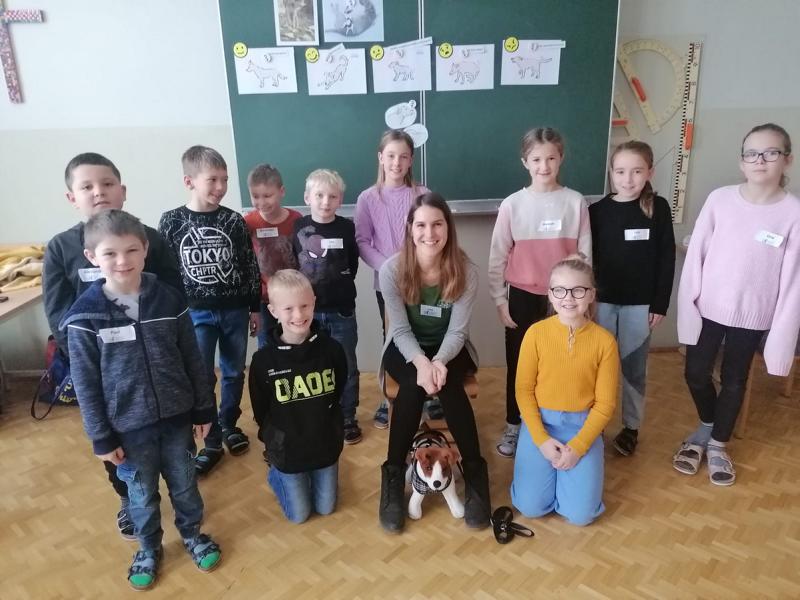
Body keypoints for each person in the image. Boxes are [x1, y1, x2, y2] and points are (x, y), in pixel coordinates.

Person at [61, 209, 221, 590]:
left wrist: (204, 409)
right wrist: (101, 437)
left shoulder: (169, 301)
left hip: (178, 420)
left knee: (185, 484)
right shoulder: (85, 317)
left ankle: (192, 534)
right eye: (110, 253)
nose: (123, 261)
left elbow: (193, 358)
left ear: (145, 249)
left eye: (131, 250)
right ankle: (149, 548)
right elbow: (86, 384)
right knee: (141, 494)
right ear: (92, 257)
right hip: (128, 430)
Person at [43, 152, 182, 541]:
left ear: (122, 190)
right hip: (105, 372)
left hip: (158, 362)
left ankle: (179, 491)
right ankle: (129, 498)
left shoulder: (150, 239)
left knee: (169, 435)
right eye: (86, 186)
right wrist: (86, 361)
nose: (98, 192)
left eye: (106, 184)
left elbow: (175, 293)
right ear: (72, 197)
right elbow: (58, 314)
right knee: (116, 442)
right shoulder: (61, 248)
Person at [675, 123, 800, 486]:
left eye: (770, 153)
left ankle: (717, 443)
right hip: (709, 308)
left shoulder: (793, 212)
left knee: (734, 380)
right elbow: (696, 254)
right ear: (742, 162)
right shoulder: (720, 199)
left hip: (754, 315)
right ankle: (708, 424)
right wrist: (689, 303)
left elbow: (793, 279)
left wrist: (781, 331)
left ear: (787, 160)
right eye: (752, 153)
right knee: (695, 373)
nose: (760, 160)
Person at [378, 192, 490, 533]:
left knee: (450, 385)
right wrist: (422, 365)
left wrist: (438, 361)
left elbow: (458, 331)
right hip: (405, 347)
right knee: (412, 387)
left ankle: (475, 473)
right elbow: (399, 329)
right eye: (421, 225)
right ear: (410, 229)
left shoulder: (466, 270)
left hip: (450, 348)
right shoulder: (392, 269)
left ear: (448, 228)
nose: (430, 233)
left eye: (437, 224)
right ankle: (393, 475)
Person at [488, 127, 592, 458]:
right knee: (520, 364)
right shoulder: (513, 205)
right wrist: (500, 300)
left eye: (550, 158)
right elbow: (497, 256)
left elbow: (586, 255)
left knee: (561, 363)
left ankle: (554, 424)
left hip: (565, 299)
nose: (543, 166)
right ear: (525, 162)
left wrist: (583, 298)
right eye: (536, 159)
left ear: (561, 158)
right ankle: (514, 424)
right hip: (522, 295)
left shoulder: (575, 202)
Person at [158, 145, 261, 475]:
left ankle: (229, 424)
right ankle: (212, 439)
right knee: (201, 376)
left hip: (234, 311)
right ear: (189, 181)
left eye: (225, 180)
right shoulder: (171, 221)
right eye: (212, 179)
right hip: (195, 314)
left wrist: (255, 308)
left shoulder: (233, 220)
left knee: (234, 372)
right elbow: (166, 273)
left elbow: (249, 265)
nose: (220, 187)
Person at [511, 256, 619, 526]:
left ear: (591, 294)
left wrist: (579, 447)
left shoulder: (605, 342)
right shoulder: (535, 334)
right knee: (530, 507)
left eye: (578, 290)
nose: (568, 298)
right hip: (540, 425)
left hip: (581, 427)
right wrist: (541, 441)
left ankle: (569, 482)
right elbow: (523, 390)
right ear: (550, 294)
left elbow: (605, 404)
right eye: (560, 290)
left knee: (581, 515)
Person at [590, 141, 676, 456]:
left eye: (637, 171)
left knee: (633, 367)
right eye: (621, 171)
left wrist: (660, 303)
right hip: (602, 303)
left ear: (649, 172)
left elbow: (667, 259)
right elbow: (589, 261)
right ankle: (595, 424)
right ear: (611, 173)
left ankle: (630, 427)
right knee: (597, 366)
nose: (628, 179)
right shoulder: (596, 212)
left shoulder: (658, 208)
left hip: (640, 306)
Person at [354, 129, 439, 429]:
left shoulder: (422, 194)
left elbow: (430, 235)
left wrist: (416, 269)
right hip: (387, 283)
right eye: (390, 155)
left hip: (423, 280)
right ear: (380, 157)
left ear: (411, 160)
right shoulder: (367, 198)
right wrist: (390, 268)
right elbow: (362, 241)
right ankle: (389, 396)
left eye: (403, 156)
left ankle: (429, 393)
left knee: (426, 332)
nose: (396, 162)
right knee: (392, 337)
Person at [248, 269, 347, 523]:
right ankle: (276, 473)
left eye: (304, 306)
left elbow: (339, 388)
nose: (299, 315)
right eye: (288, 308)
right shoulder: (263, 361)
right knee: (299, 516)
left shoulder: (332, 350)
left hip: (324, 445)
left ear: (314, 302)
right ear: (273, 311)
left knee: (326, 508)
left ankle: (312, 474)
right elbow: (261, 408)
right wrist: (274, 439)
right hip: (288, 451)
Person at [292, 169, 362, 445]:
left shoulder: (346, 227)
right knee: (312, 365)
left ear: (340, 200)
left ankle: (348, 416)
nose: (325, 201)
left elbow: (352, 264)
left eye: (332, 196)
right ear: (307, 197)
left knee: (346, 364)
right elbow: (293, 263)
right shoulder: (299, 227)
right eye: (319, 195)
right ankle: (318, 414)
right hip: (307, 314)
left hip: (341, 310)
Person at [243, 163, 302, 349]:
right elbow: (246, 263)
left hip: (293, 296)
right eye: (255, 196)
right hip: (264, 298)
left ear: (281, 191)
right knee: (267, 346)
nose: (261, 202)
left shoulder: (296, 220)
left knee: (295, 341)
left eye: (267, 196)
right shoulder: (248, 222)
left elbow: (303, 258)